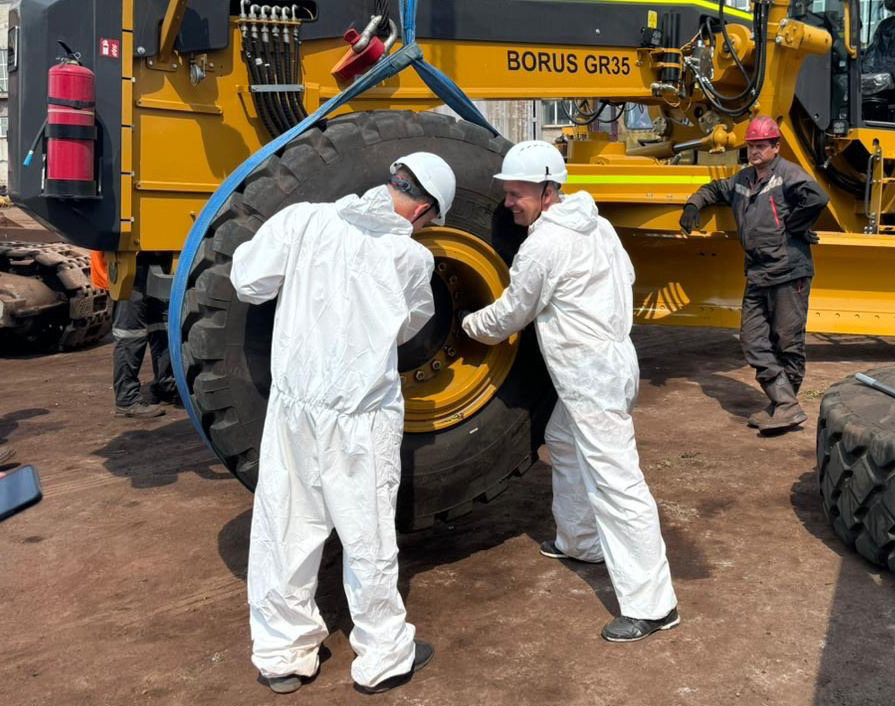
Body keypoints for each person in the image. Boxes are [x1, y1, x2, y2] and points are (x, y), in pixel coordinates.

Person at [229, 153, 456, 695]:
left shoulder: (304, 219)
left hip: (293, 407)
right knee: (368, 533)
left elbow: (248, 282)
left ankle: (284, 654)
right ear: (422, 209)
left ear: (392, 181)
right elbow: (409, 326)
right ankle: (382, 656)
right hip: (361, 414)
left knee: (285, 526)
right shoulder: (408, 257)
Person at [461, 140, 678, 643]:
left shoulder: (544, 245)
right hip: (615, 359)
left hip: (589, 373)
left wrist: (468, 326)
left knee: (618, 484)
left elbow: (513, 312)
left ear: (547, 190)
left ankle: (653, 605)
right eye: (508, 194)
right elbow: (627, 274)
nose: (509, 203)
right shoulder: (597, 225)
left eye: (517, 195)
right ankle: (579, 540)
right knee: (562, 440)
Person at [679, 115, 828, 433]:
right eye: (751, 146)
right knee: (752, 340)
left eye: (761, 146)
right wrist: (693, 205)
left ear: (776, 147)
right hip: (759, 272)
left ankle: (783, 406)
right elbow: (714, 189)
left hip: (789, 271)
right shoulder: (743, 180)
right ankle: (784, 404)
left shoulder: (788, 174)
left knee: (787, 343)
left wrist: (796, 225)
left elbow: (817, 198)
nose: (755, 151)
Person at [107, 254, 177, 419]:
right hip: (129, 262)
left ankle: (166, 386)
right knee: (129, 334)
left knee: (163, 327)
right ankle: (127, 400)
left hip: (159, 260)